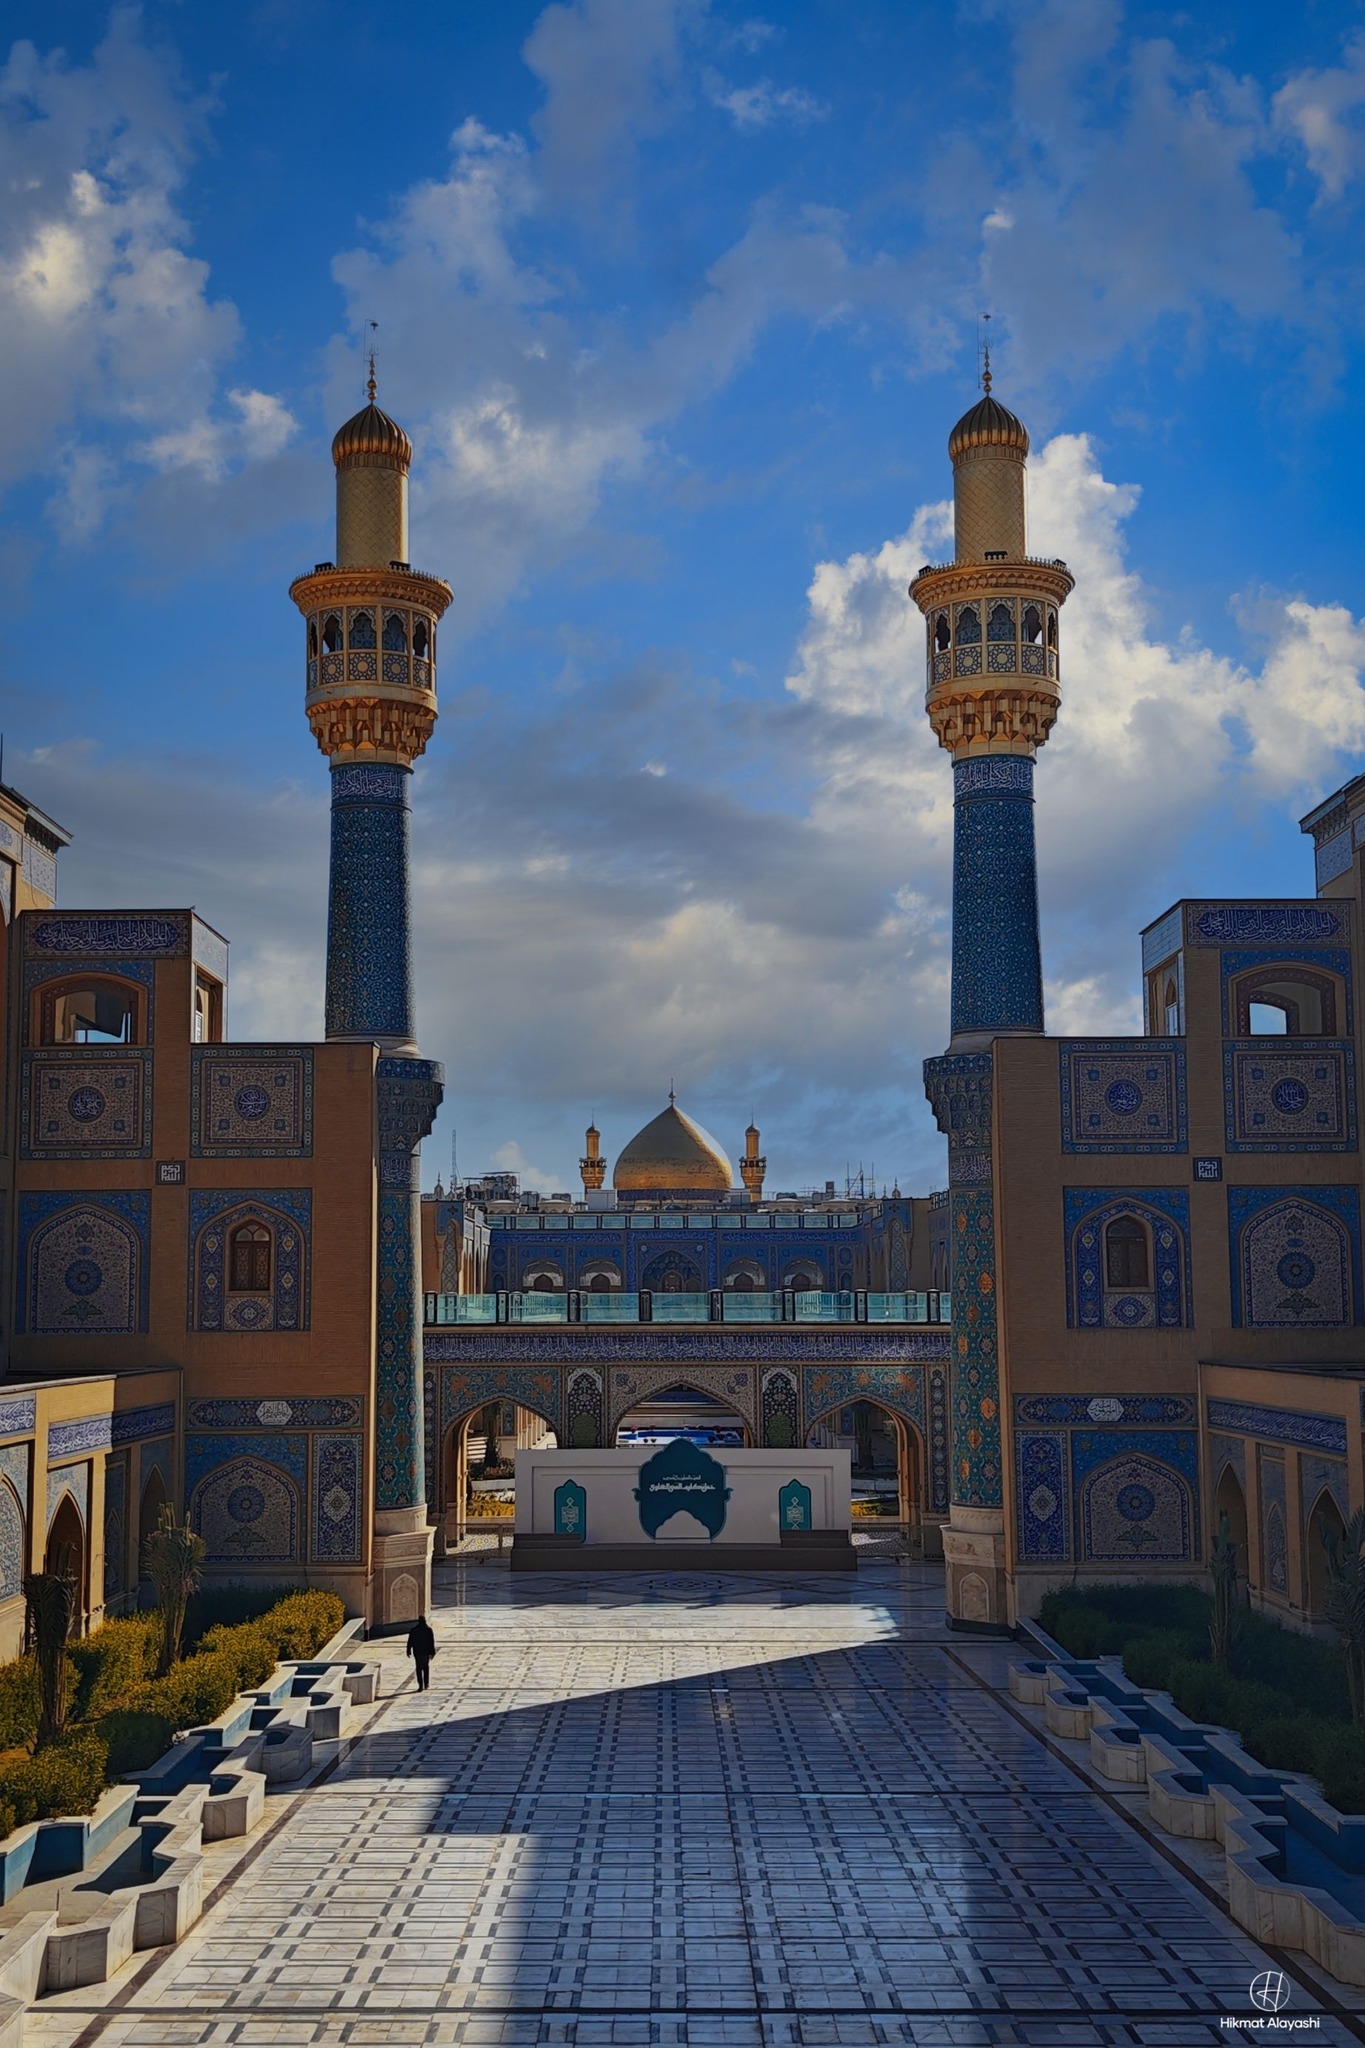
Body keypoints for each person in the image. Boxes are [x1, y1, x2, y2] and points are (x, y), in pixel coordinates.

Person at [405, 1613, 436, 1691]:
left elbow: (410, 1642)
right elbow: (431, 1642)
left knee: (419, 1668)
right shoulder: (428, 1630)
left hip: (417, 1652)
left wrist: (408, 1650)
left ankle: (420, 1685)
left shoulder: (414, 1630)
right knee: (425, 1667)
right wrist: (432, 1652)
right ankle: (426, 1683)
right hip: (426, 1652)